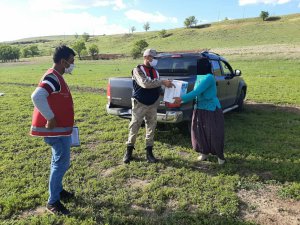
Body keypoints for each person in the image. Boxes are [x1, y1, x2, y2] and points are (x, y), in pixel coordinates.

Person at [30, 45, 76, 215]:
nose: (73, 64)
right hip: (55, 131)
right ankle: (53, 202)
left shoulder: (56, 76)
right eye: (71, 61)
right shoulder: (53, 77)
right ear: (63, 62)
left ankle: (58, 191)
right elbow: (37, 96)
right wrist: (50, 117)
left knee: (58, 162)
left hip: (60, 130)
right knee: (60, 163)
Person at [124, 49, 174, 164]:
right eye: (153, 57)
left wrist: (169, 92)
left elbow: (158, 88)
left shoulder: (156, 72)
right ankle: (129, 151)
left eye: (156, 58)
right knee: (134, 126)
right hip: (139, 103)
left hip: (152, 104)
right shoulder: (137, 70)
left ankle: (149, 152)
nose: (155, 60)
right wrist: (162, 82)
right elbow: (145, 83)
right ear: (146, 57)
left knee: (151, 127)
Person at [173, 57, 226, 164]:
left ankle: (220, 156)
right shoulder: (199, 77)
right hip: (199, 108)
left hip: (211, 109)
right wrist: (181, 100)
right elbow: (195, 93)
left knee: (214, 132)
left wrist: (181, 99)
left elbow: (196, 91)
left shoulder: (209, 77)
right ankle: (203, 153)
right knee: (199, 132)